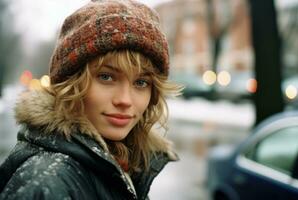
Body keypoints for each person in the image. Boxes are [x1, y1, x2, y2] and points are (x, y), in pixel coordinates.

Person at [0, 0, 181, 199]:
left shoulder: (125, 161)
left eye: (140, 83)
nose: (125, 100)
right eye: (106, 77)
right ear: (71, 83)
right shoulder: (49, 182)